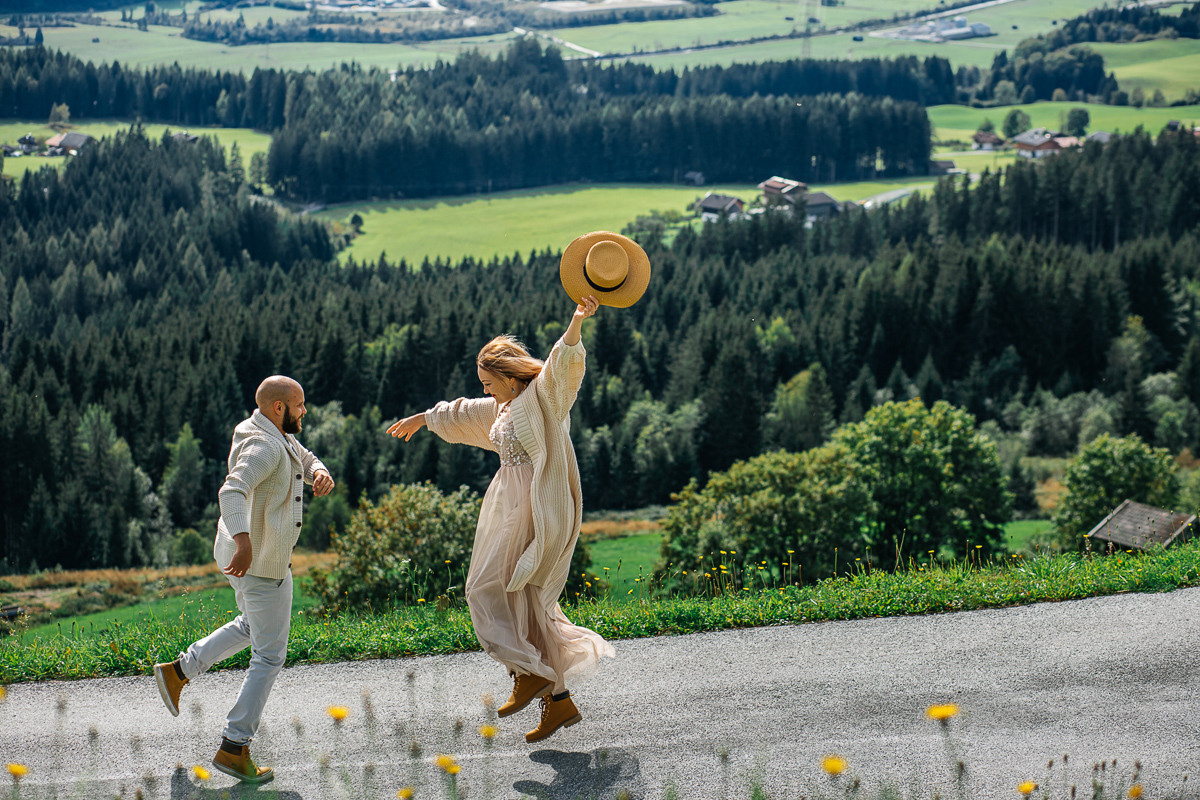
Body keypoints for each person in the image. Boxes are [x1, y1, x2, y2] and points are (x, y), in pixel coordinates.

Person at [387, 296, 615, 743]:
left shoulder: (541, 400)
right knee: (526, 601)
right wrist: (424, 418)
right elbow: (466, 411)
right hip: (507, 503)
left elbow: (561, 367)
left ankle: (527, 672)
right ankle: (558, 703)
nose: (486, 390)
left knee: (484, 588)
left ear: (511, 379)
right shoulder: (505, 407)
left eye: (490, 382)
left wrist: (575, 322)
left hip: (533, 503)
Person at [153, 376, 335, 783]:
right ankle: (235, 746)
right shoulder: (266, 446)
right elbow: (231, 491)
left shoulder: (261, 427)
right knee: (270, 656)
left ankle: (178, 671)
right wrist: (245, 543)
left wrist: (318, 472)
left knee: (253, 625)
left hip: (240, 554)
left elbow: (303, 455)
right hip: (258, 561)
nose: (304, 411)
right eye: (299, 405)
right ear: (278, 408)